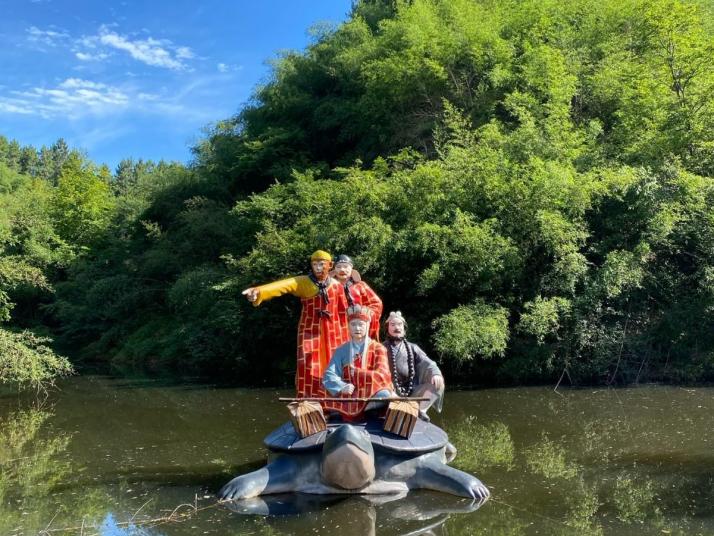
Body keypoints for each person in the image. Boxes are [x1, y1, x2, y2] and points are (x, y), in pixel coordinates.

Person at [242, 250, 349, 398]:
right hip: (309, 330)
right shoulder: (304, 282)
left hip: (333, 332)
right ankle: (307, 397)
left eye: (322, 264)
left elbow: (343, 312)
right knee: (307, 363)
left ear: (330, 265)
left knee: (333, 363)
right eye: (315, 264)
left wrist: (346, 336)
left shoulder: (337, 286)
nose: (318, 268)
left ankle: (334, 400)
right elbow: (284, 285)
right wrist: (259, 291)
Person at [323, 305, 393, 419]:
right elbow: (329, 375)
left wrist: (357, 373)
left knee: (384, 395)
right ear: (348, 326)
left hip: (371, 392)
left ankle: (356, 409)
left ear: (367, 326)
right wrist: (342, 386)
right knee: (320, 390)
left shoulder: (378, 348)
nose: (357, 328)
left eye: (361, 324)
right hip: (348, 393)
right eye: (353, 324)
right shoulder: (341, 350)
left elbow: (383, 375)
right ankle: (351, 409)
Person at [383, 311, 444, 421]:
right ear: (387, 328)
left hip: (412, 392)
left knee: (437, 384)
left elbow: (428, 362)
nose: (397, 327)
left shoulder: (412, 348)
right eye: (393, 325)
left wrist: (435, 373)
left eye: (399, 324)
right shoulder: (380, 348)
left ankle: (420, 411)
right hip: (390, 392)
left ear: (404, 328)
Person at [332, 254, 383, 340]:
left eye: (345, 266)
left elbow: (376, 303)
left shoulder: (361, 285)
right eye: (338, 267)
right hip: (336, 326)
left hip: (358, 325)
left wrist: (366, 314)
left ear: (351, 269)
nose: (342, 269)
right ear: (334, 270)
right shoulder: (329, 288)